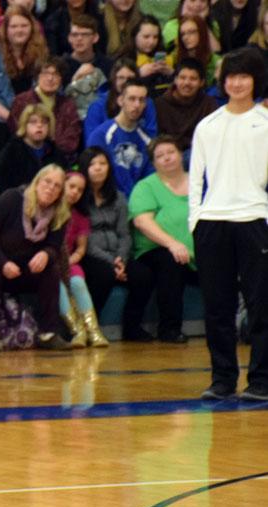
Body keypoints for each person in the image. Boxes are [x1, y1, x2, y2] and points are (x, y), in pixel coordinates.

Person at [188, 48, 268, 401]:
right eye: (231, 76)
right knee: (217, 306)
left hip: (255, 219)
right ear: (222, 82)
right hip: (212, 222)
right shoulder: (208, 124)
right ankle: (222, 379)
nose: (236, 82)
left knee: (261, 304)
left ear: (256, 80)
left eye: (244, 76)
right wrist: (195, 220)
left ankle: (261, 380)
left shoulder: (265, 124)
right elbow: (195, 179)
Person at [0, 164, 72, 353]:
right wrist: (3, 262)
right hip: (1, 263)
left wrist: (46, 253)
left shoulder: (60, 214)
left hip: (28, 270)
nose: (50, 188)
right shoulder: (12, 198)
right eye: (47, 182)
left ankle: (49, 332)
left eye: (57, 186)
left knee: (52, 269)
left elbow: (55, 246)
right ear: (37, 182)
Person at [127, 135, 197, 343]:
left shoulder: (198, 182)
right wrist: (173, 244)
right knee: (170, 261)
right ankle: (169, 329)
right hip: (156, 250)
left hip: (199, 250)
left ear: (180, 155)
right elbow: (142, 222)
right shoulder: (145, 187)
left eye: (171, 152)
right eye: (160, 156)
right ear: (154, 162)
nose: (167, 158)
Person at [77, 146, 150, 341]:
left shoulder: (118, 197)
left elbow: (124, 234)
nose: (98, 168)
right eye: (93, 164)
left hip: (117, 254)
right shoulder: (78, 197)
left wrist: (121, 258)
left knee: (143, 275)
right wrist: (112, 261)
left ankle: (132, 327)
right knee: (103, 275)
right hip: (89, 254)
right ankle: (91, 326)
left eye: (103, 163)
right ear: (84, 168)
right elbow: (85, 237)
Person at [0, 6, 49, 149]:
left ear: (32, 28)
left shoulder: (40, 56)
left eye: (24, 25)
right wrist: (12, 118)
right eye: (14, 26)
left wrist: (31, 120)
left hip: (34, 120)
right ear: (6, 30)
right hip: (0, 121)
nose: (19, 30)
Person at [59, 170, 108, 348]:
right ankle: (77, 331)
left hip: (70, 261)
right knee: (58, 285)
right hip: (51, 263)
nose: (74, 192)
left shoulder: (80, 217)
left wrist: (70, 261)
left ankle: (93, 331)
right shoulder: (50, 210)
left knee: (77, 282)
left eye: (79, 190)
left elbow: (81, 248)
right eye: (71, 187)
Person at [87, 77, 154, 198]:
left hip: (138, 202)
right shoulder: (101, 135)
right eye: (132, 99)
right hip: (109, 201)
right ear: (120, 100)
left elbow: (149, 177)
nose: (137, 105)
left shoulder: (146, 139)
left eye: (142, 100)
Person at [6, 57, 82, 159]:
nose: (50, 78)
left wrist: (52, 151)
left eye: (55, 74)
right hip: (25, 157)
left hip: (59, 158)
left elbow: (72, 138)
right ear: (37, 77)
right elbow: (17, 133)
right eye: (45, 73)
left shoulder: (68, 105)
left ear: (61, 79)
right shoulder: (21, 101)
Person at [0, 103, 66, 192]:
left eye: (44, 122)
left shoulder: (54, 151)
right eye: (33, 122)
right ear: (24, 125)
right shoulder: (12, 150)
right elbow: (0, 182)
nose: (39, 126)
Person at [84, 58, 158, 142]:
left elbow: (151, 138)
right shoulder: (97, 106)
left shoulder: (146, 102)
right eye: (120, 78)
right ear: (114, 79)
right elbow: (92, 141)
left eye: (130, 78)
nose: (125, 82)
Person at [154, 58, 218, 152]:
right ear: (175, 79)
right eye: (182, 78)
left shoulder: (209, 104)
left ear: (202, 82)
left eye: (193, 79)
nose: (187, 83)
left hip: (199, 153)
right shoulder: (160, 104)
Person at [175, 16, 220, 84]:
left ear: (202, 33)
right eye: (182, 34)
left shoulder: (217, 61)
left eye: (192, 32)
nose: (186, 37)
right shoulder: (176, 58)